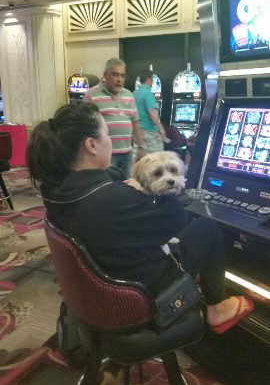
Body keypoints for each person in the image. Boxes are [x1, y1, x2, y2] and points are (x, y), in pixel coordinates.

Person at [26, 102, 253, 333]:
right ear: (91, 145)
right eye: (107, 133)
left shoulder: (56, 191)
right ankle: (217, 307)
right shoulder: (113, 199)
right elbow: (177, 219)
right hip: (139, 294)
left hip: (101, 286)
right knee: (207, 227)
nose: (111, 140)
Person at [83, 58, 145, 178]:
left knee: (127, 186)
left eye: (123, 76)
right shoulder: (91, 95)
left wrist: (141, 147)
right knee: (108, 187)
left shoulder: (129, 95)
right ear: (105, 75)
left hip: (127, 153)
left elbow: (135, 123)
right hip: (105, 154)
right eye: (115, 75)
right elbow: (85, 127)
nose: (119, 80)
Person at [133, 69, 166, 160]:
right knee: (158, 158)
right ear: (148, 79)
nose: (153, 81)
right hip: (149, 130)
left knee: (139, 158)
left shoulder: (134, 93)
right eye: (152, 79)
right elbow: (152, 113)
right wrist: (161, 128)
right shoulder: (148, 93)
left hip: (137, 131)